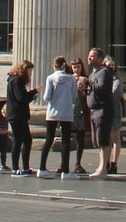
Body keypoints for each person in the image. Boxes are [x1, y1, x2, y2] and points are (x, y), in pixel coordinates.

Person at [38, 55, 78, 179]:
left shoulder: (50, 78)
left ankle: (42, 168)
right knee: (66, 140)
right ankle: (65, 171)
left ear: (54, 66)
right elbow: (74, 96)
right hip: (66, 112)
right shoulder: (72, 79)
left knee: (49, 139)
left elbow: (46, 97)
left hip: (52, 112)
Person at [84, 48, 116, 179]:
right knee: (97, 140)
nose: (89, 58)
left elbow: (101, 88)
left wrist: (88, 82)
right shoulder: (92, 73)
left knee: (102, 139)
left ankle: (103, 168)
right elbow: (92, 89)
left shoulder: (104, 72)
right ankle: (101, 165)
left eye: (93, 56)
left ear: (100, 58)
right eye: (89, 56)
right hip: (93, 109)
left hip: (102, 109)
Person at [4, 59, 35, 177]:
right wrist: (33, 93)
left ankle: (25, 167)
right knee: (18, 141)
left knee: (26, 140)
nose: (30, 74)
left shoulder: (14, 80)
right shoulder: (17, 81)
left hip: (18, 115)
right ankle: (16, 168)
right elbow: (21, 98)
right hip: (17, 115)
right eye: (30, 71)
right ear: (24, 70)